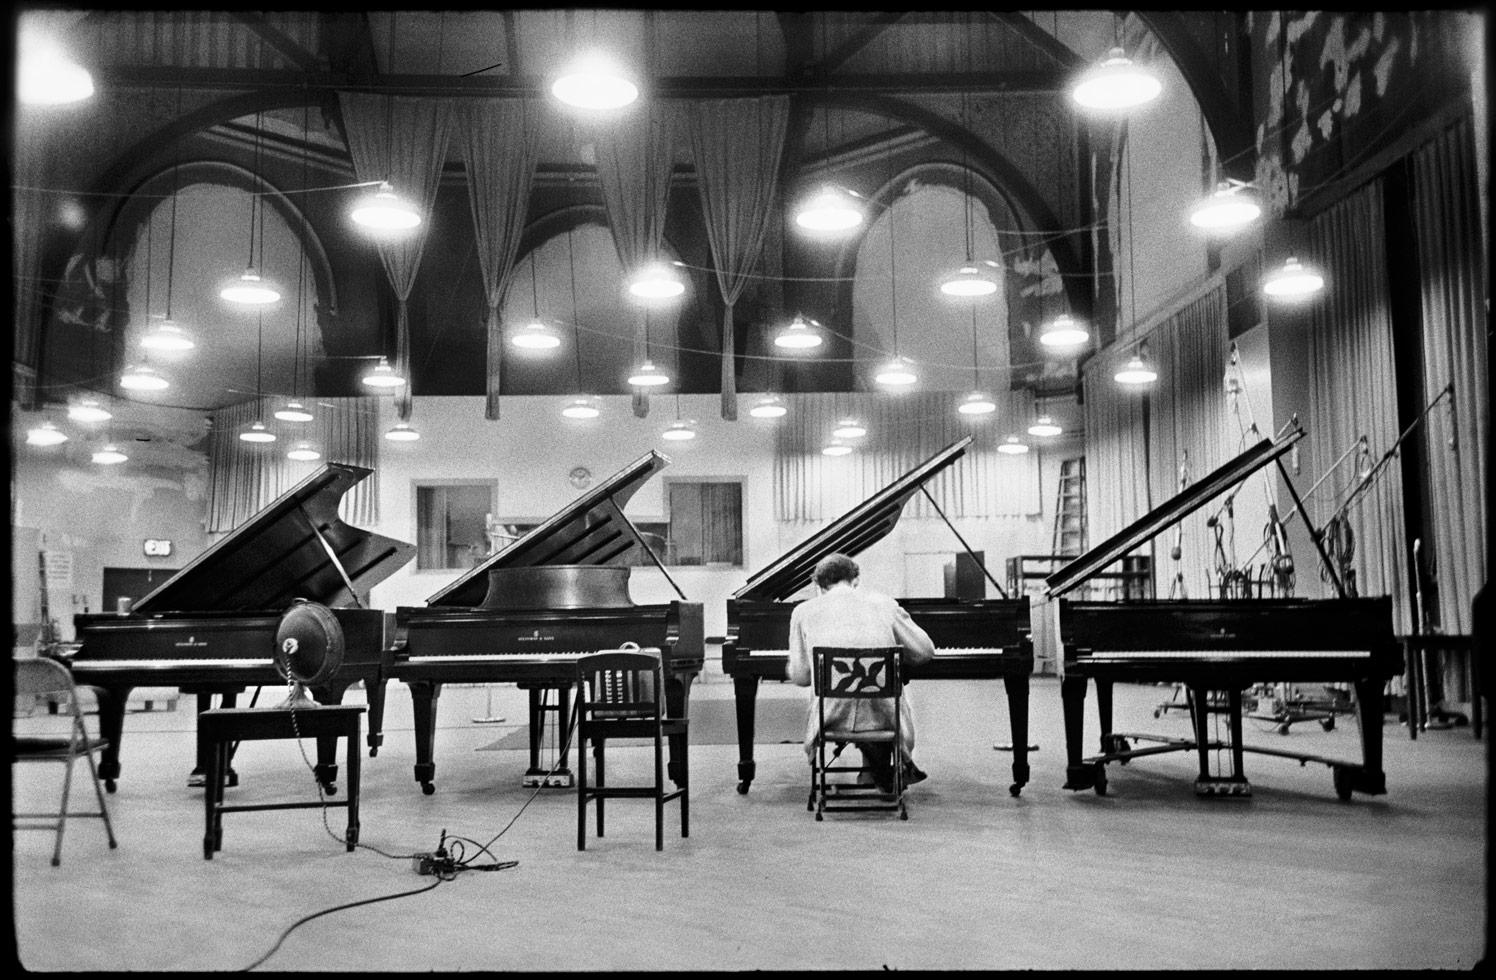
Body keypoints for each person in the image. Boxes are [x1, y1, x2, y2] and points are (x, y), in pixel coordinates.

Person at [785, 553, 936, 791]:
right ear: (855, 580)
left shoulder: (803, 611)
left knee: (852, 699)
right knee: (880, 697)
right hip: (884, 716)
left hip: (830, 717)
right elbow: (925, 651)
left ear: (819, 585)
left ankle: (873, 773)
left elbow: (801, 676)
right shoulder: (884, 604)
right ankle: (882, 772)